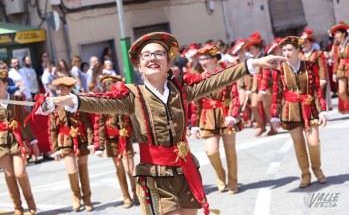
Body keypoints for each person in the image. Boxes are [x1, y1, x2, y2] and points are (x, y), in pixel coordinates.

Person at [39, 32, 285, 215]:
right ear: (139, 66)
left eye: (158, 54)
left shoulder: (182, 89)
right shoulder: (131, 95)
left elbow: (216, 79)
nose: (152, 58)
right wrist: (66, 100)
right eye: (146, 55)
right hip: (155, 177)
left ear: (169, 62)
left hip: (185, 170)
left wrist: (252, 64)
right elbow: (99, 101)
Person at [270, 36, 327, 188]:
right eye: (284, 50)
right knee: (298, 144)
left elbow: (316, 90)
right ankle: (305, 174)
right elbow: (277, 93)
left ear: (298, 50)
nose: (286, 53)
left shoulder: (309, 66)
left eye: (289, 49)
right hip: (291, 110)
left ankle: (317, 168)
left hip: (310, 108)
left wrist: (322, 111)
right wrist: (275, 115)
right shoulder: (280, 69)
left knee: (314, 142)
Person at [190, 45, 243, 194]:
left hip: (226, 114)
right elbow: (196, 102)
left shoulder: (225, 74)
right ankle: (220, 175)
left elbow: (234, 96)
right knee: (211, 151)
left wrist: (233, 115)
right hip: (208, 117)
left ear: (215, 59)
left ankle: (233, 182)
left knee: (230, 152)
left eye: (206, 58)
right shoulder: (199, 78)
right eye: (200, 59)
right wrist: (194, 124)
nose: (203, 61)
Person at [48, 77, 95, 212]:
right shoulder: (54, 106)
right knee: (72, 171)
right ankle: (76, 197)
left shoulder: (77, 103)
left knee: (82, 170)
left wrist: (91, 142)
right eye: (58, 89)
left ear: (69, 89)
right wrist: (54, 149)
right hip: (65, 141)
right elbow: (52, 129)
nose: (60, 91)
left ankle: (87, 199)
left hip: (81, 139)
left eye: (63, 88)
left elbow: (87, 123)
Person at [94, 74, 139, 208]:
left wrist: (139, 136)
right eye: (107, 86)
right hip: (112, 141)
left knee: (130, 169)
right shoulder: (103, 102)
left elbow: (134, 119)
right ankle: (126, 196)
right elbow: (100, 125)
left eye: (112, 85)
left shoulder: (125, 100)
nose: (110, 89)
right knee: (119, 169)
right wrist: (99, 145)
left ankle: (136, 192)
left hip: (126, 139)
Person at [0, 67, 40, 215]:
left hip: (17, 140)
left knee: (20, 173)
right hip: (1, 143)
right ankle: (18, 207)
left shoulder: (16, 100)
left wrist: (33, 141)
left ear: (5, 84)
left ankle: (31, 202)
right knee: (9, 175)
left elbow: (25, 122)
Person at [330, 21, 349, 112]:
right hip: (341, 70)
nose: (335, 35)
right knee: (341, 92)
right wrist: (334, 73)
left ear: (344, 34)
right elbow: (336, 60)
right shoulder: (336, 47)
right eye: (335, 34)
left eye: (337, 33)